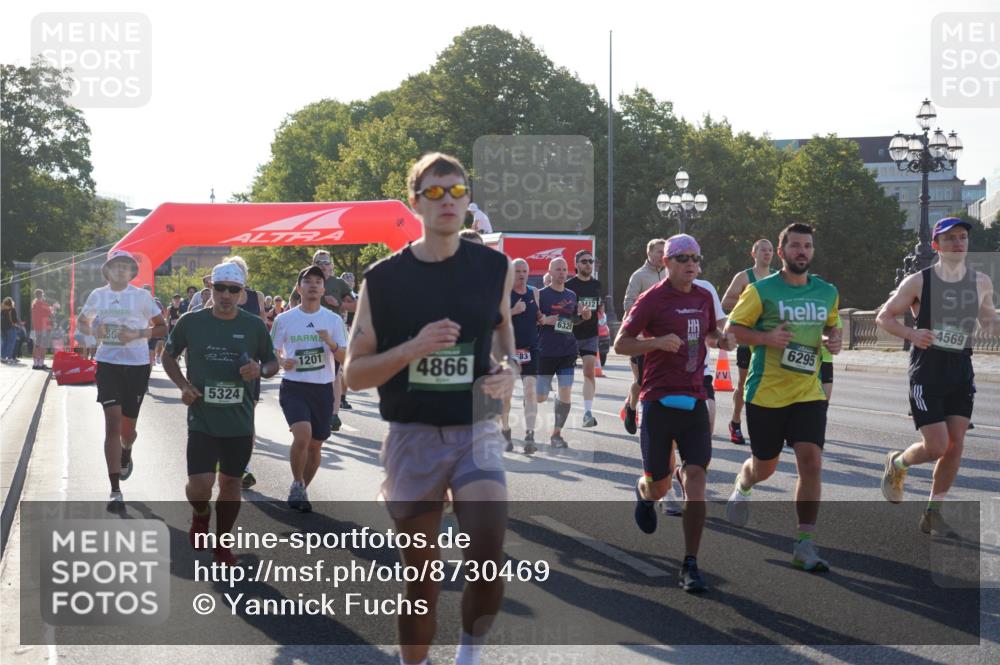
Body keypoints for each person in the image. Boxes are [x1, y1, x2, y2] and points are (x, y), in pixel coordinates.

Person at [345, 152, 516, 665]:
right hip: (412, 433)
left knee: (488, 555)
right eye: (436, 192)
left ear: (468, 200)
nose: (449, 200)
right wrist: (411, 349)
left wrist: (509, 370)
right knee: (421, 580)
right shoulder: (384, 278)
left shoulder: (495, 267)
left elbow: (501, 331)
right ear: (415, 203)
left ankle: (469, 655)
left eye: (458, 191)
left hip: (474, 428)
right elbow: (353, 374)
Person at [614, 234, 736, 592]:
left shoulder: (703, 295)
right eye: (683, 258)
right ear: (666, 262)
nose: (691, 264)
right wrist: (655, 342)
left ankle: (690, 563)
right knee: (659, 485)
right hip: (658, 399)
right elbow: (621, 343)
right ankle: (643, 493)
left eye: (696, 257)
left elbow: (712, 334)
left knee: (696, 479)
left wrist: (723, 340)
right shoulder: (651, 299)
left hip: (696, 397)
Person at [723, 223, 841, 572]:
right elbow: (732, 331)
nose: (802, 251)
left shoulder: (827, 292)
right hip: (766, 394)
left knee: (812, 462)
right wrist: (765, 338)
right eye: (795, 246)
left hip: (808, 391)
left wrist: (834, 338)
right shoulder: (761, 291)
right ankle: (744, 483)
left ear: (812, 252)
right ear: (781, 252)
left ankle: (804, 544)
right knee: (765, 467)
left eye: (807, 246)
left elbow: (832, 325)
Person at [876, 217, 999, 536]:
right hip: (927, 372)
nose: (958, 243)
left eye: (962, 237)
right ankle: (898, 463)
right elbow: (884, 317)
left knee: (956, 444)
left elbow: (988, 322)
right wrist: (911, 334)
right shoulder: (919, 281)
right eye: (949, 239)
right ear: (936, 246)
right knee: (937, 446)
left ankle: (933, 511)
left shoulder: (981, 281)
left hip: (960, 369)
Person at [162, 262, 278, 565]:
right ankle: (200, 514)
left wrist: (260, 369)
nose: (226, 295)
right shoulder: (191, 321)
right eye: (220, 288)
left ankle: (222, 543)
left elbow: (272, 364)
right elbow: (168, 355)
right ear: (211, 288)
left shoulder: (253, 325)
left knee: (230, 484)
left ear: (242, 293)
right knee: (200, 485)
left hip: (239, 421)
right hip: (202, 416)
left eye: (234, 290)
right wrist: (183, 386)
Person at [77, 251, 167, 509]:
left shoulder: (142, 297)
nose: (120, 271)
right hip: (109, 364)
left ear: (131, 272)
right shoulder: (98, 295)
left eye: (125, 267)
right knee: (112, 425)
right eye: (115, 267)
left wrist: (138, 332)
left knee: (127, 431)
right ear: (107, 271)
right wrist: (95, 330)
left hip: (137, 366)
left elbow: (162, 327)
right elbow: (83, 323)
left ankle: (127, 450)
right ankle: (115, 489)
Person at [271, 265, 347, 512]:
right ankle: (296, 482)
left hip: (322, 389)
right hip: (294, 387)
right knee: (302, 436)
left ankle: (302, 487)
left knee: (316, 444)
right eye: (308, 281)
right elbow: (273, 353)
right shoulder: (284, 320)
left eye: (318, 281)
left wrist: (330, 343)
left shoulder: (333, 320)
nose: (313, 285)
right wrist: (283, 361)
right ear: (299, 287)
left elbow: (345, 357)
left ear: (323, 289)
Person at [720, 239, 777, 446]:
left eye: (770, 250)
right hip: (747, 337)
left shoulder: (778, 278)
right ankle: (735, 422)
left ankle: (773, 427)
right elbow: (726, 302)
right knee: (744, 384)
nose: (767, 253)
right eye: (763, 250)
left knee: (772, 383)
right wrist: (752, 303)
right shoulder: (744, 276)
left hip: (770, 339)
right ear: (754, 253)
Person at [289, 250, 352, 432]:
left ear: (331, 264)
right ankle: (300, 412)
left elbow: (356, 304)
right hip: (308, 332)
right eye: (320, 262)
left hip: (333, 331)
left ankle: (333, 414)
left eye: (326, 262)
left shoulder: (338, 283)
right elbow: (292, 301)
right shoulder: (306, 279)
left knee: (335, 374)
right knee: (309, 367)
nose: (324, 265)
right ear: (314, 263)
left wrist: (338, 304)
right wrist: (297, 319)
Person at [535, 257, 590, 449]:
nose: (561, 272)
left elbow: (570, 322)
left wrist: (583, 317)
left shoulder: (572, 295)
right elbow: (532, 321)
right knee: (540, 397)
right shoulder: (540, 295)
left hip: (567, 351)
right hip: (545, 351)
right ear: (550, 273)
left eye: (564, 269)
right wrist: (543, 320)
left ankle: (556, 434)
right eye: (557, 269)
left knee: (565, 391)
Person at [621, 239, 667, 434]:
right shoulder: (639, 276)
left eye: (663, 252)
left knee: (664, 380)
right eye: (658, 251)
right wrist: (644, 319)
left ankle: (659, 419)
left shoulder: (670, 274)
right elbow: (628, 303)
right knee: (642, 381)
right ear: (649, 253)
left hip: (665, 337)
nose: (661, 255)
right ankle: (631, 409)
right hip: (641, 338)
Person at [502, 258, 542, 454]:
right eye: (518, 271)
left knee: (530, 391)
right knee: (506, 396)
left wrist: (543, 319)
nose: (522, 274)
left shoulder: (534, 292)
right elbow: (495, 320)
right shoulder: (504, 293)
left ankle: (530, 434)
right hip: (508, 350)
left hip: (530, 350)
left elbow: (538, 317)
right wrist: (513, 311)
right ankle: (505, 430)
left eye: (525, 271)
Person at [566, 249, 602, 428]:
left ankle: (587, 413)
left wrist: (598, 315)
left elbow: (598, 307)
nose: (588, 264)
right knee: (567, 375)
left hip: (590, 335)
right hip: (570, 335)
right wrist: (578, 315)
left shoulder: (597, 284)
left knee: (589, 372)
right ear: (576, 265)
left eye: (590, 261)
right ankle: (562, 402)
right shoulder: (569, 285)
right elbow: (563, 313)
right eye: (584, 261)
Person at [31, 289, 52, 370]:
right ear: (42, 295)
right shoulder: (44, 304)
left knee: (36, 345)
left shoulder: (34, 304)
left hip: (35, 327)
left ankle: (35, 363)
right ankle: (41, 363)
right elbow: (49, 314)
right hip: (44, 327)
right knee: (43, 346)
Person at [2, 297, 22, 363]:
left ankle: (3, 357)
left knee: (5, 343)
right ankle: (9, 357)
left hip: (3, 329)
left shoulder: (2, 310)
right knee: (11, 343)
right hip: (11, 328)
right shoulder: (12, 309)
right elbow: (15, 320)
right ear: (11, 303)